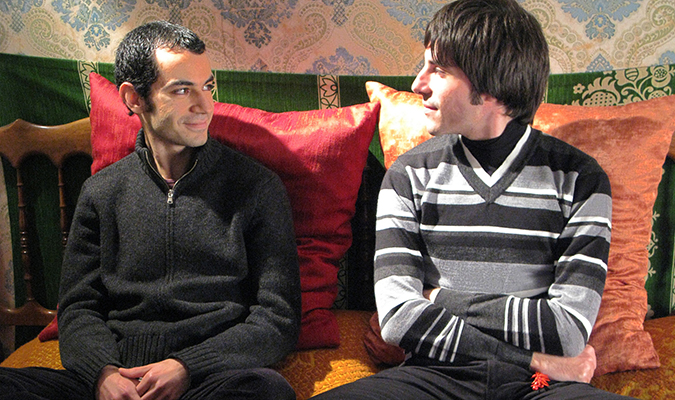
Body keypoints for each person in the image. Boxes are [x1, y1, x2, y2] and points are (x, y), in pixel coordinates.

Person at [312, 0, 633, 399]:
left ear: (490, 84)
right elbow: (397, 319)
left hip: (542, 388)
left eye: (438, 69)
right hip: (432, 376)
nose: (418, 83)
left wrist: (435, 298)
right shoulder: (408, 174)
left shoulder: (581, 179)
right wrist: (533, 359)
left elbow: (566, 331)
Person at [0, 21, 301, 400]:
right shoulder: (101, 192)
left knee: (266, 390)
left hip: (205, 381)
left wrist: (187, 367)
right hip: (115, 375)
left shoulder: (255, 187)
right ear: (134, 98)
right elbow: (78, 308)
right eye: (182, 90)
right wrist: (103, 374)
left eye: (207, 86)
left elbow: (278, 318)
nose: (204, 105)